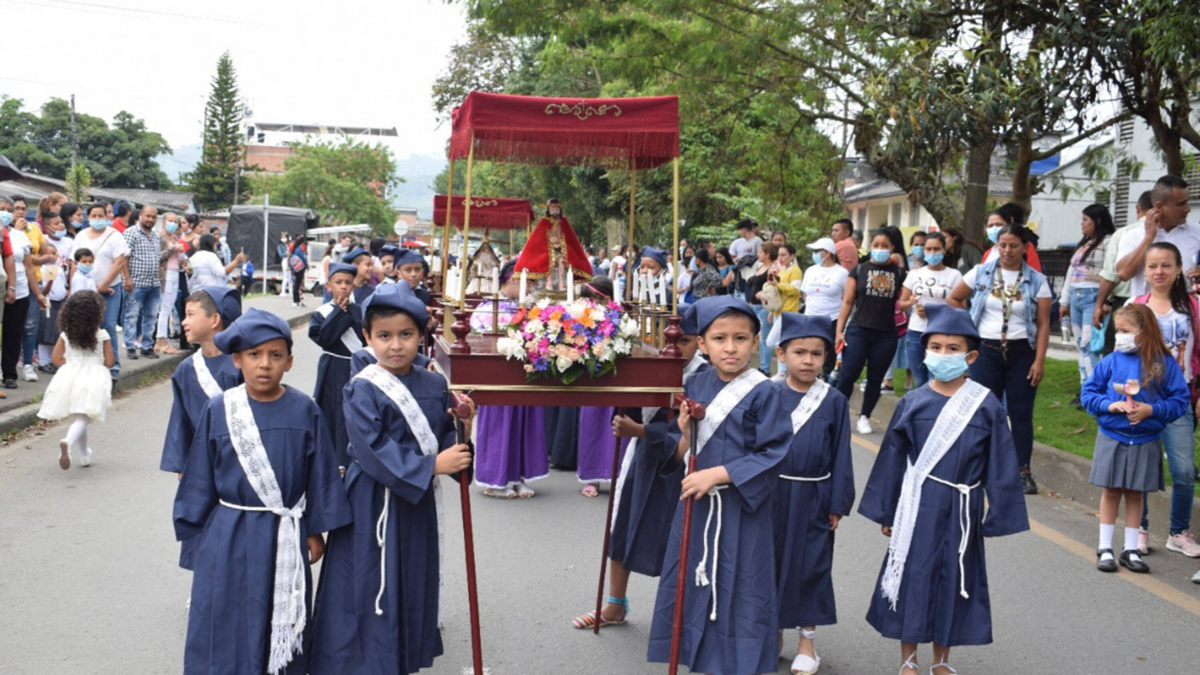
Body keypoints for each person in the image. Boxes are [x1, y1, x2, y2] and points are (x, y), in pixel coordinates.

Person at [174, 309, 351, 675]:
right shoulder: (220, 410)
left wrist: (314, 529)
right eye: (254, 355)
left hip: (284, 533)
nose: (265, 364)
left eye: (275, 355)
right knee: (225, 612)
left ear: (289, 361)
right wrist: (201, 536)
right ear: (237, 360)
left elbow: (320, 472)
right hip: (229, 533)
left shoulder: (305, 410)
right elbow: (200, 477)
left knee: (280, 612)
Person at [308, 284, 473, 675]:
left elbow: (444, 443)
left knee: (411, 578)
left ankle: (399, 659)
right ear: (368, 337)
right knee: (366, 581)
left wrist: (463, 429)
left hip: (416, 505)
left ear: (421, 335)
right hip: (371, 502)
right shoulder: (361, 386)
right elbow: (371, 448)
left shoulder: (435, 384)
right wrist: (431, 467)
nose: (396, 345)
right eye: (384, 335)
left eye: (406, 334)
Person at [858, 304, 1028, 675]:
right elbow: (892, 460)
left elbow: (1000, 462)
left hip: (962, 507)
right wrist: (887, 511)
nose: (943, 354)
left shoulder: (985, 405)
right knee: (913, 575)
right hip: (918, 506)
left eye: (953, 349)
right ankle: (908, 658)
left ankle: (942, 660)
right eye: (935, 347)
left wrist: (998, 513)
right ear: (924, 351)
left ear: (970, 356)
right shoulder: (912, 402)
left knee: (954, 578)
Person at [646, 295, 791, 675]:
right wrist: (685, 433)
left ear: (755, 342)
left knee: (741, 585)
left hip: (742, 506)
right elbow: (686, 448)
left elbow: (773, 452)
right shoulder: (695, 382)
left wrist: (718, 474)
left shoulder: (766, 391)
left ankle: (739, 664)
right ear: (702, 343)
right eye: (719, 338)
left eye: (740, 338)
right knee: (693, 578)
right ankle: (699, 658)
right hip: (697, 503)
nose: (730, 348)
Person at [573, 304, 708, 629]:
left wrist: (641, 430)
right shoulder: (651, 363)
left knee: (681, 536)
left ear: (700, 342)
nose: (674, 347)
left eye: (684, 340)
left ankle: (685, 613)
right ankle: (615, 604)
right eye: (667, 339)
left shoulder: (705, 375)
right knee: (624, 523)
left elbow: (691, 428)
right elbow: (628, 406)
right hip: (644, 457)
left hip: (686, 461)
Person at [771, 313, 854, 675]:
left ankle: (807, 641)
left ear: (826, 358)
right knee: (769, 563)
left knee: (811, 566)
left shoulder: (833, 400)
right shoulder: (768, 393)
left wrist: (837, 503)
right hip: (771, 494)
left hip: (813, 495)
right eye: (799, 352)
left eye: (817, 354)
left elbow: (841, 454)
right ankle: (771, 632)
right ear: (781, 353)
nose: (808, 361)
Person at [1082, 304, 1188, 574]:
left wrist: (1152, 410)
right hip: (1112, 436)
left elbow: (1179, 400)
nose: (1120, 336)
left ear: (1145, 331)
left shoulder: (1163, 364)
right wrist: (1109, 405)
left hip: (1145, 439)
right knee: (1111, 491)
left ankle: (1130, 550)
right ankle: (1105, 547)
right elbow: (1088, 394)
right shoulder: (1110, 361)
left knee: (1135, 493)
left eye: (1126, 331)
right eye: (1117, 330)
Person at [948, 223, 1051, 495]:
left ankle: (1022, 470)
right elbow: (955, 298)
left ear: (1025, 247)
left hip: (1021, 353)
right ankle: (977, 465)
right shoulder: (981, 272)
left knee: (1020, 413)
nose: (1007, 250)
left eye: (1013, 245)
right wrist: (969, 330)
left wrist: (1039, 361)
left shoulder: (1037, 281)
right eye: (1002, 245)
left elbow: (1043, 324)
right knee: (983, 409)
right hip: (986, 351)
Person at [159, 287, 243, 568]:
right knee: (202, 519)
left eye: (190, 314)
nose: (184, 322)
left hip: (239, 454)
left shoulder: (240, 363)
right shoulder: (186, 369)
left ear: (215, 319)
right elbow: (180, 417)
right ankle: (205, 578)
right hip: (201, 460)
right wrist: (183, 463)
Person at [1129, 243, 1200, 558]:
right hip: (1142, 399)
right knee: (1143, 468)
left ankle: (1178, 532)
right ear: (1145, 271)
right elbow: (1121, 353)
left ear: (1179, 268)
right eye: (1153, 266)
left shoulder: (1193, 306)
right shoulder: (1135, 306)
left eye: (1166, 265)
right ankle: (1139, 529)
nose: (1159, 272)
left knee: (1183, 470)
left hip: (1178, 399)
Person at [470, 260, 547, 498]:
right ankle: (495, 481)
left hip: (525, 374)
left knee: (524, 425)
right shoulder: (488, 308)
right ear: (513, 280)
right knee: (499, 427)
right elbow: (478, 340)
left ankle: (519, 477)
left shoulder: (530, 309)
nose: (530, 288)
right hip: (497, 376)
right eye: (527, 283)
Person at [834, 229, 906, 434]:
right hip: (858, 330)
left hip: (886, 334)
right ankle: (837, 414)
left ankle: (865, 416)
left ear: (892, 247)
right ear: (870, 246)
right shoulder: (859, 270)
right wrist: (839, 331)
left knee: (876, 378)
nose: (880, 249)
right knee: (848, 375)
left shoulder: (900, 273)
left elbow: (905, 301)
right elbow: (848, 302)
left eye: (885, 245)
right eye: (876, 245)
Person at [37, 291, 115, 470]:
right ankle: (68, 441)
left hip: (70, 376)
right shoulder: (102, 335)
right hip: (93, 377)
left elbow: (56, 359)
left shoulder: (66, 335)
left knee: (80, 416)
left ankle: (84, 454)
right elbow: (110, 362)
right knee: (83, 417)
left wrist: (73, 363)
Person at [309, 262, 363, 474]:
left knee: (352, 412)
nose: (343, 286)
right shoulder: (321, 313)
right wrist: (339, 313)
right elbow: (324, 338)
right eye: (338, 282)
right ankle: (333, 460)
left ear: (353, 286)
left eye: (348, 283)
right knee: (332, 412)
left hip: (355, 367)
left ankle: (353, 458)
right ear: (329, 285)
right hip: (332, 368)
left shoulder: (360, 311)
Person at [1116, 175, 1200, 300]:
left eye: (1187, 202)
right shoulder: (1133, 235)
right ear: (1159, 206)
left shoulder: (1197, 232)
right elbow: (1123, 274)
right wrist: (1149, 237)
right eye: (1181, 204)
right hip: (1145, 310)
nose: (1187, 209)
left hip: (1186, 309)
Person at [1060, 204, 1115, 391]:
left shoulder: (1109, 242)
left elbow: (1112, 272)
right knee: (1080, 344)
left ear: (1097, 221)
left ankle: (1094, 389)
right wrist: (1064, 301)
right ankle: (1084, 387)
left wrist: (1106, 300)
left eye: (1085, 220)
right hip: (1076, 297)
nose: (1082, 224)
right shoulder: (1085, 244)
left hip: (1093, 297)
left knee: (1089, 344)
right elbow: (1071, 272)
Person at [898, 232, 962, 389]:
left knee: (936, 380)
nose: (932, 253)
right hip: (916, 333)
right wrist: (910, 302)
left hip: (942, 333)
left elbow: (961, 308)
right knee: (919, 381)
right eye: (928, 249)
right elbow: (901, 304)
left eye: (936, 249)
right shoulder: (915, 274)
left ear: (944, 250)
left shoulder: (954, 275)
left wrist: (936, 311)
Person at [73, 203, 128, 380]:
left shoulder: (115, 235)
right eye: (94, 216)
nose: (97, 219)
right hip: (86, 289)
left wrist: (104, 284)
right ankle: (89, 366)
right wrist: (73, 289)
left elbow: (119, 263)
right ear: (88, 217)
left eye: (100, 216)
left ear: (107, 217)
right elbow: (74, 263)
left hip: (110, 289)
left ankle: (113, 366)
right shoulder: (81, 236)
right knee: (86, 326)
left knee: (108, 326)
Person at [1095, 191, 1153, 355]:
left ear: (1138, 208)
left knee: (1117, 355)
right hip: (1156, 303)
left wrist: (1099, 305)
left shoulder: (1124, 233)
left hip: (1126, 305)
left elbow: (1111, 275)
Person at [2, 204, 48, 388]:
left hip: (19, 290)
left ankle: (9, 374)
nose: (5, 213)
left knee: (13, 333)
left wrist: (38, 294)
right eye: (1, 209)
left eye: (8, 209)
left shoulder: (19, 236)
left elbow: (29, 267)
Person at [513, 198, 593, 292]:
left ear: (559, 210)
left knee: (562, 261)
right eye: (552, 209)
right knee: (549, 261)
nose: (554, 211)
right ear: (548, 210)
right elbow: (538, 239)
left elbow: (570, 238)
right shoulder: (544, 222)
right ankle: (549, 282)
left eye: (556, 209)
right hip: (546, 252)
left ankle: (561, 284)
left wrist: (561, 243)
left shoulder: (563, 222)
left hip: (560, 251)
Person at [123, 205, 163, 361]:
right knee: (132, 315)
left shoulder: (156, 235)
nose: (150, 220)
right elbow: (124, 257)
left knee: (151, 316)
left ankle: (147, 347)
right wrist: (127, 279)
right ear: (140, 215)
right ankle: (130, 346)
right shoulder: (131, 233)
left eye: (153, 217)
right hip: (136, 282)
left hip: (154, 282)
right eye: (148, 216)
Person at [155, 212, 187, 355]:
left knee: (169, 307)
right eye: (170, 221)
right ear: (163, 222)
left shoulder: (174, 237)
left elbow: (178, 257)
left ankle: (161, 340)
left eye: (175, 221)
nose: (173, 224)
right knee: (165, 308)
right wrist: (174, 248)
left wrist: (184, 261)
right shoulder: (159, 237)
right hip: (165, 274)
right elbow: (158, 256)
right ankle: (161, 340)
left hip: (175, 273)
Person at [981, 203, 1043, 272]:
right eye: (990, 226)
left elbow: (1034, 273)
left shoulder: (1025, 248)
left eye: (999, 224)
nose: (994, 229)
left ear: (1009, 225)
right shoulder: (988, 253)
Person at [35, 241, 68, 373]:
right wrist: (50, 281)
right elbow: (44, 291)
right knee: (46, 332)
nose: (51, 256)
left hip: (60, 303)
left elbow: (63, 286)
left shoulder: (59, 269)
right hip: (48, 303)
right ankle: (44, 361)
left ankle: (53, 360)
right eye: (48, 253)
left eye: (54, 253)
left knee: (56, 332)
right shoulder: (42, 270)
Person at [747, 242, 778, 374]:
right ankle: (762, 365)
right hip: (754, 305)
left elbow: (774, 289)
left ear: (767, 254)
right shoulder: (761, 266)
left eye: (760, 252)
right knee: (759, 338)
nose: (758, 254)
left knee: (765, 338)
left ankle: (765, 368)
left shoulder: (772, 268)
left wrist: (770, 310)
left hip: (764, 307)